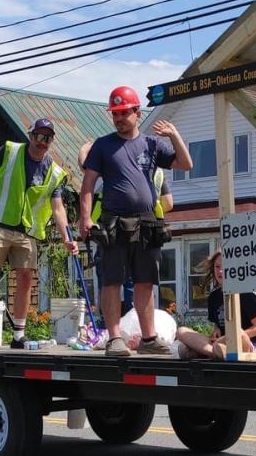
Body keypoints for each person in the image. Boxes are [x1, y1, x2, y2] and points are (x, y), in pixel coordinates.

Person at [79, 86, 192, 356]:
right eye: (115, 113)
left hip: (146, 223)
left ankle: (149, 338)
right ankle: (115, 338)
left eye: (123, 113)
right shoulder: (103, 145)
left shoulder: (152, 144)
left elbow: (185, 164)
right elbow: (87, 185)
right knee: (112, 281)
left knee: (144, 281)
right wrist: (84, 219)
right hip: (114, 222)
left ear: (137, 113)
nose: (118, 118)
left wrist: (174, 135)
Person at [0, 118, 78, 349]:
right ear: (31, 135)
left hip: (27, 231)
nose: (42, 142)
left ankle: (18, 335)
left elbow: (58, 208)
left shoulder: (54, 172)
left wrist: (67, 238)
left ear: (51, 141)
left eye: (48, 138)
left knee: (25, 278)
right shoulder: (11, 151)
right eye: (39, 136)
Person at [78, 140, 174, 315]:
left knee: (109, 280)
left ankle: (107, 324)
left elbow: (86, 168)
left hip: (113, 227)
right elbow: (168, 203)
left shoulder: (117, 167)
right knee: (139, 281)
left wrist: (85, 148)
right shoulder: (158, 173)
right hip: (148, 229)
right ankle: (135, 321)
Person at [176, 251, 256, 360]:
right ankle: (215, 353)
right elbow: (217, 324)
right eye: (217, 267)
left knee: (236, 334)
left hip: (243, 340)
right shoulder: (213, 296)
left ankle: (214, 351)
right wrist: (216, 330)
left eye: (225, 267)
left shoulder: (245, 293)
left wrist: (232, 337)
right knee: (182, 335)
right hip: (221, 341)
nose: (220, 271)